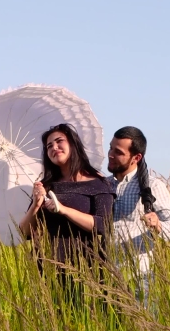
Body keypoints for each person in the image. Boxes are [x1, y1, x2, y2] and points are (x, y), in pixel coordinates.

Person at [19, 124, 116, 297]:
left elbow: (103, 225)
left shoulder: (98, 183)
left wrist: (63, 210)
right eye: (49, 146)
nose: (54, 148)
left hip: (86, 266)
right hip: (48, 265)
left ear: (73, 143)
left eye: (59, 141)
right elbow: (25, 232)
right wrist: (36, 204)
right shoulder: (46, 186)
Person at [107, 126, 170, 308]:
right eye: (110, 148)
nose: (110, 154)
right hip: (105, 278)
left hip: (139, 279)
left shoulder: (152, 186)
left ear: (136, 157)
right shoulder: (103, 185)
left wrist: (157, 225)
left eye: (118, 152)